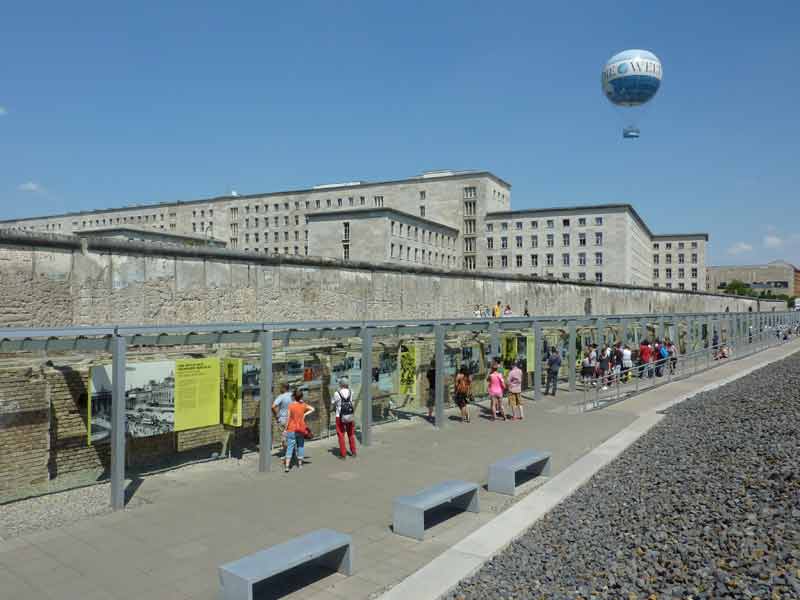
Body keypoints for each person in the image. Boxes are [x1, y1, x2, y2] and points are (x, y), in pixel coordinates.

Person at [284, 389, 314, 473]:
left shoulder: (290, 406)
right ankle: (300, 464)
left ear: (294, 396)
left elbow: (288, 418)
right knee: (300, 446)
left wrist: (285, 429)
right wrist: (305, 414)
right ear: (301, 397)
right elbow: (312, 409)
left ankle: (287, 466)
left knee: (290, 447)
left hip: (291, 429)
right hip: (301, 429)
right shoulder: (303, 405)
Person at [331, 377, 357, 459]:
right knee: (351, 434)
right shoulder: (351, 391)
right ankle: (353, 452)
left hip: (340, 415)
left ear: (340, 384)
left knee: (341, 434)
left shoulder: (337, 393)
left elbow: (333, 402)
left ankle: (343, 454)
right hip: (349, 415)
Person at [271, 383, 293, 456]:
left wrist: (277, 416)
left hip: (283, 419)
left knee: (284, 437)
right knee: (291, 436)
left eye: (281, 388)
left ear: (284, 388)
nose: (280, 389)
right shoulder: (293, 395)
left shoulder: (281, 396)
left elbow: (273, 407)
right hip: (292, 419)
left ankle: (287, 453)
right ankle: (291, 452)